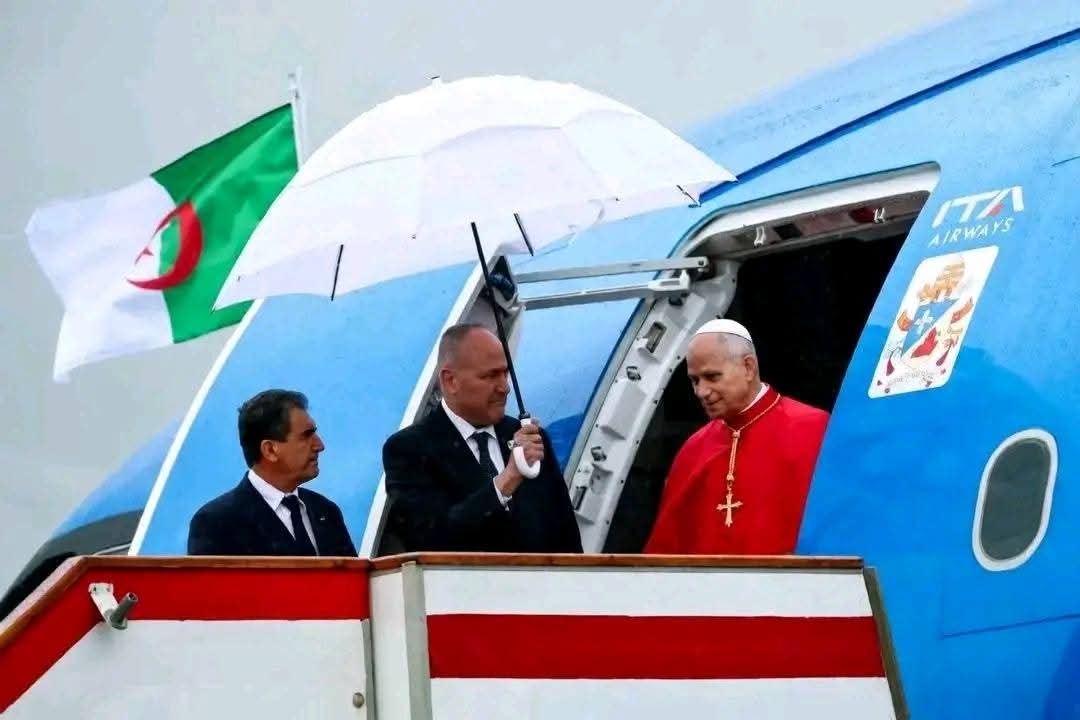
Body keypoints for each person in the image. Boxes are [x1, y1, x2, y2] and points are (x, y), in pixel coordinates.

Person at [382, 323, 582, 553]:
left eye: (505, 373)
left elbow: (568, 541)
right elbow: (429, 540)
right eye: (491, 376)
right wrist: (506, 480)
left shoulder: (531, 439)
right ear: (450, 380)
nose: (504, 388)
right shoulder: (409, 449)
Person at [644, 319, 829, 555]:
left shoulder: (813, 429)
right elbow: (665, 550)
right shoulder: (693, 449)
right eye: (695, 380)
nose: (701, 392)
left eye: (712, 376)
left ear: (748, 367)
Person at [188, 389, 357, 556]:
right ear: (269, 450)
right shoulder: (216, 523)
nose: (320, 446)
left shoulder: (326, 511)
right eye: (306, 436)